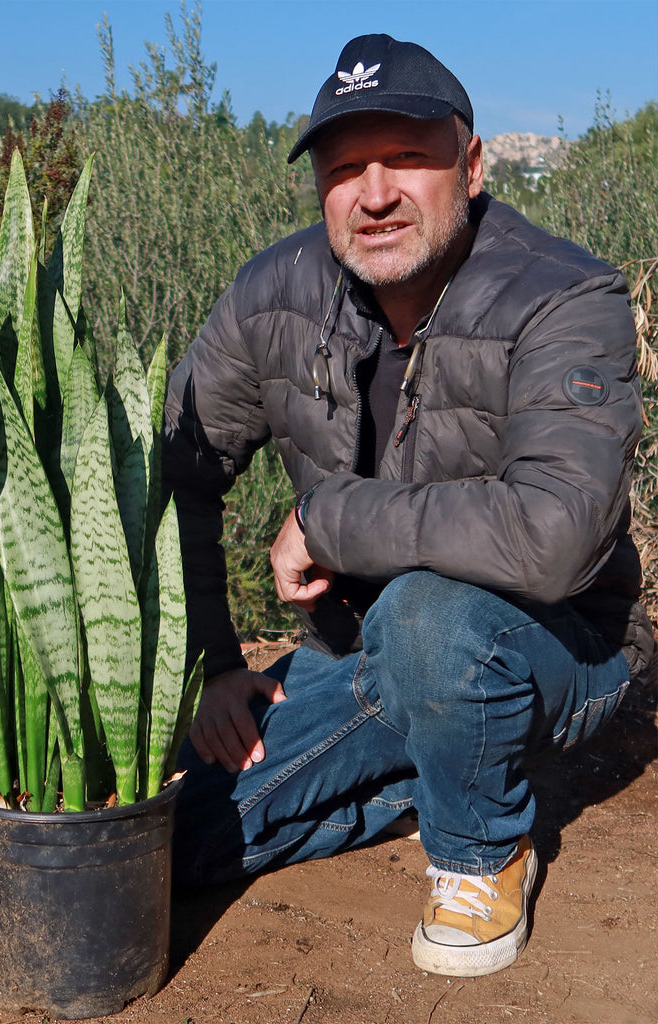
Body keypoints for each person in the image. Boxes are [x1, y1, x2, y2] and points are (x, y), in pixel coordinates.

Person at [162, 33, 654, 978]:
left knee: (433, 613)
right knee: (179, 850)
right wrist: (214, 667)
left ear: (470, 166)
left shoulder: (562, 296)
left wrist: (329, 518)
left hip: (562, 645)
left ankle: (480, 854)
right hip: (366, 652)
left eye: (407, 160)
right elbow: (171, 476)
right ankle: (432, 763)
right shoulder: (274, 294)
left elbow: (554, 538)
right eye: (345, 169)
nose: (374, 192)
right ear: (320, 190)